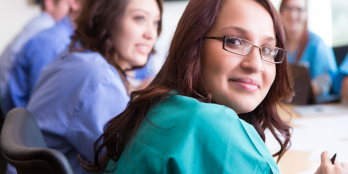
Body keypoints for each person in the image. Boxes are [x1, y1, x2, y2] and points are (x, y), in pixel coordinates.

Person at [81, 0, 348, 173]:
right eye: (234, 41)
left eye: (267, 48)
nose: (255, 63)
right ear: (193, 45)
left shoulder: (161, 109)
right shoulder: (212, 125)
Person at [26, 0, 162, 173]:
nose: (151, 34)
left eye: (156, 22)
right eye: (139, 18)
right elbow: (132, 162)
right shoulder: (97, 77)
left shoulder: (78, 56)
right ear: (104, 17)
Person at [3, 0, 80, 113]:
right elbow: (42, 97)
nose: (74, 6)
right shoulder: (50, 36)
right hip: (17, 114)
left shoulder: (41, 25)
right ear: (49, 3)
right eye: (68, 4)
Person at [280, 0, 338, 96]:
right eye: (288, 8)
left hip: (309, 106)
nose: (293, 15)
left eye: (299, 9)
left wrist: (291, 93)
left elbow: (326, 80)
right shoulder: (274, 43)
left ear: (306, 13)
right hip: (281, 104)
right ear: (280, 12)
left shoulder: (317, 43)